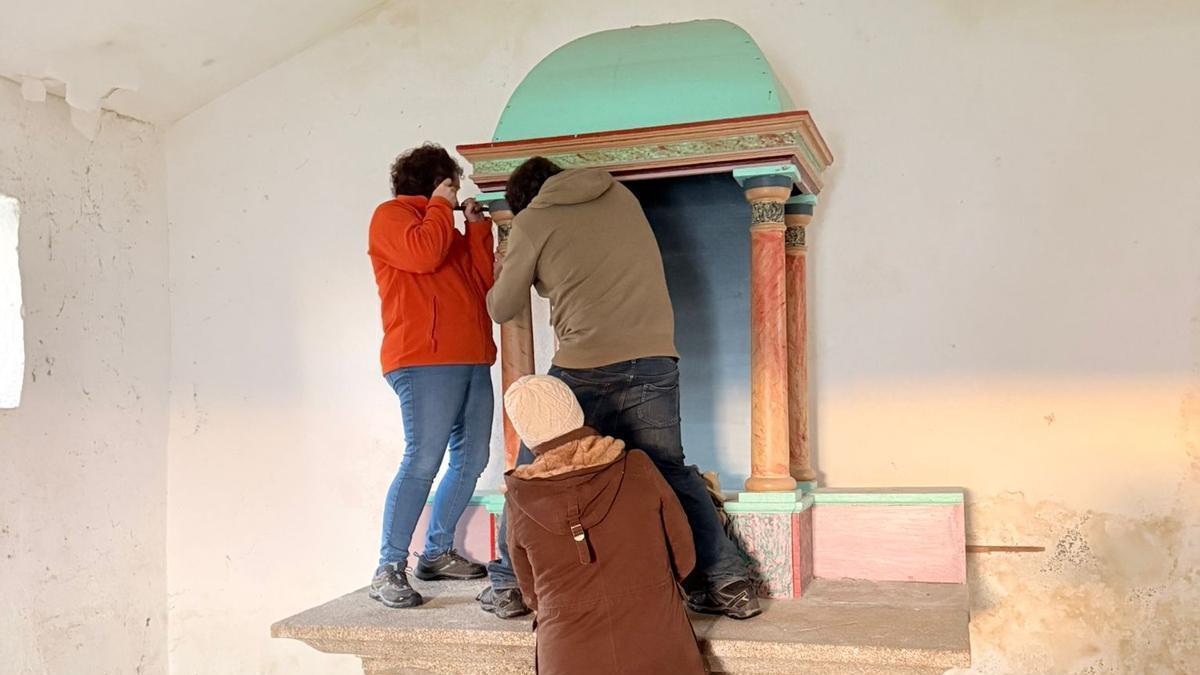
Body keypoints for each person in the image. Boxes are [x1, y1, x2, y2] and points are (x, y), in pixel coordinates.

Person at [480, 157, 762, 620]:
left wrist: (507, 261)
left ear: (524, 199)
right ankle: (729, 581)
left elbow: (503, 306)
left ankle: (510, 584)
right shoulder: (619, 195)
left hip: (584, 365)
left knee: (533, 470)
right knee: (670, 470)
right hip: (655, 358)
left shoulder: (532, 219)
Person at [502, 375, 705, 675]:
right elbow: (684, 556)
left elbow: (531, 593)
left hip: (567, 656)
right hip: (658, 642)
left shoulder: (520, 500)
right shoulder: (638, 467)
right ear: (575, 410)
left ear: (525, 434)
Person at [366, 143, 496, 608]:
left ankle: (436, 553)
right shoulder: (392, 218)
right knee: (423, 458)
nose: (455, 193)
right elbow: (422, 256)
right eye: (449, 184)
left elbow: (484, 283)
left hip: (472, 357)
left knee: (472, 458)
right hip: (422, 359)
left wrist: (477, 227)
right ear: (431, 183)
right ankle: (388, 568)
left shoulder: (447, 229)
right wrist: (442, 205)